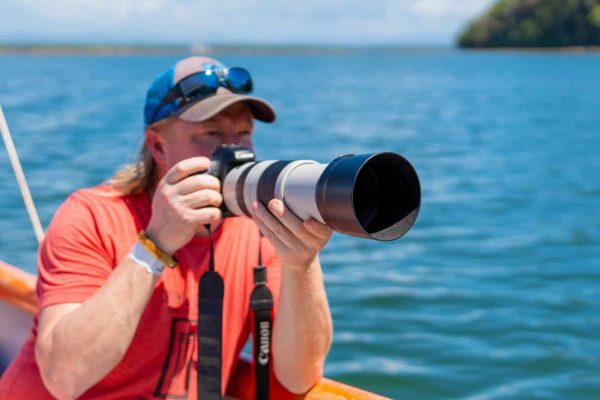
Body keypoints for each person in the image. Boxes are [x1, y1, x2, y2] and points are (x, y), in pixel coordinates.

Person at [0, 56, 333, 399]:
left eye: (244, 132)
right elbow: (63, 378)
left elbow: (298, 378)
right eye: (212, 133)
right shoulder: (93, 215)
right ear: (158, 145)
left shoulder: (260, 231)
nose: (234, 150)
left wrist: (301, 263)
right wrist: (155, 243)